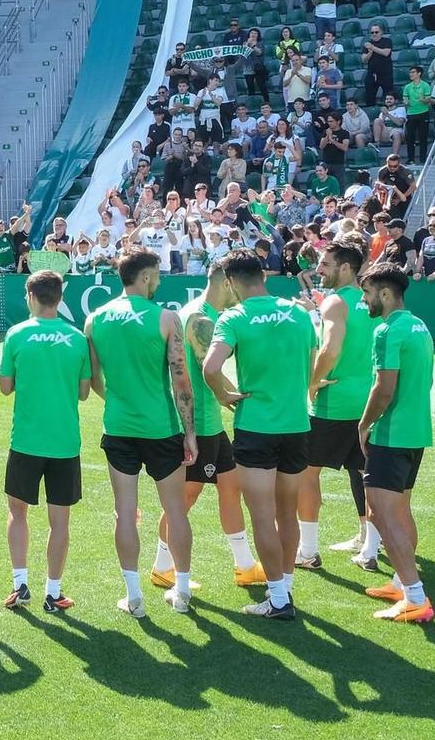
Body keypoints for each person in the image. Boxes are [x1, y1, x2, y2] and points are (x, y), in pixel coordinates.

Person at [203, 249, 319, 621]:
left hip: (256, 427)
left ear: (232, 282)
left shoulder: (234, 317)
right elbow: (313, 360)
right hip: (297, 425)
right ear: (263, 276)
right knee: (287, 514)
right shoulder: (299, 313)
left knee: (262, 516)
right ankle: (284, 586)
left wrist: (225, 396)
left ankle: (279, 598)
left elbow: (210, 367)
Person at [87, 249, 198, 615]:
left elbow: (93, 380)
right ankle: (181, 592)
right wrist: (191, 432)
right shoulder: (167, 318)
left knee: (124, 513)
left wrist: (119, 398)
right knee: (176, 512)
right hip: (161, 427)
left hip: (118, 427)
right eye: (158, 275)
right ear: (146, 276)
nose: (160, 281)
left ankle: (133, 595)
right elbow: (180, 379)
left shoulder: (95, 319)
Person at [152, 262, 266, 592]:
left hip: (209, 424)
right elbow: (207, 369)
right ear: (227, 284)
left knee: (231, 488)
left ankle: (244, 565)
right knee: (184, 499)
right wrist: (230, 395)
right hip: (199, 425)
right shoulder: (200, 318)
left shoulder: (202, 314)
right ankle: (163, 566)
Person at [0, 270, 92, 612]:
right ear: (60, 298)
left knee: (17, 513)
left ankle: (20, 585)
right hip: (65, 443)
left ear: (31, 296)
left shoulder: (16, 334)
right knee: (60, 521)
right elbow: (84, 393)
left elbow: (5, 386)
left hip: (25, 440)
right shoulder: (77, 338)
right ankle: (53, 593)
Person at [353, 262, 435, 623]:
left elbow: (383, 389)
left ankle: (415, 596)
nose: (365, 300)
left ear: (385, 294)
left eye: (368, 293)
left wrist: (364, 424)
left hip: (392, 432)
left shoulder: (387, 331)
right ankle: (401, 583)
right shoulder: (419, 325)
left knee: (382, 515)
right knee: (400, 511)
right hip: (416, 431)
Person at [299, 242, 373, 572]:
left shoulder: (336, 302)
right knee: (367, 473)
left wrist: (313, 382)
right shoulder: (373, 299)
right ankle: (369, 547)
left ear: (345, 268)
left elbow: (330, 349)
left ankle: (308, 551)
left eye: (326, 265)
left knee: (306, 473)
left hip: (335, 401)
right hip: (368, 401)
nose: (319, 270)